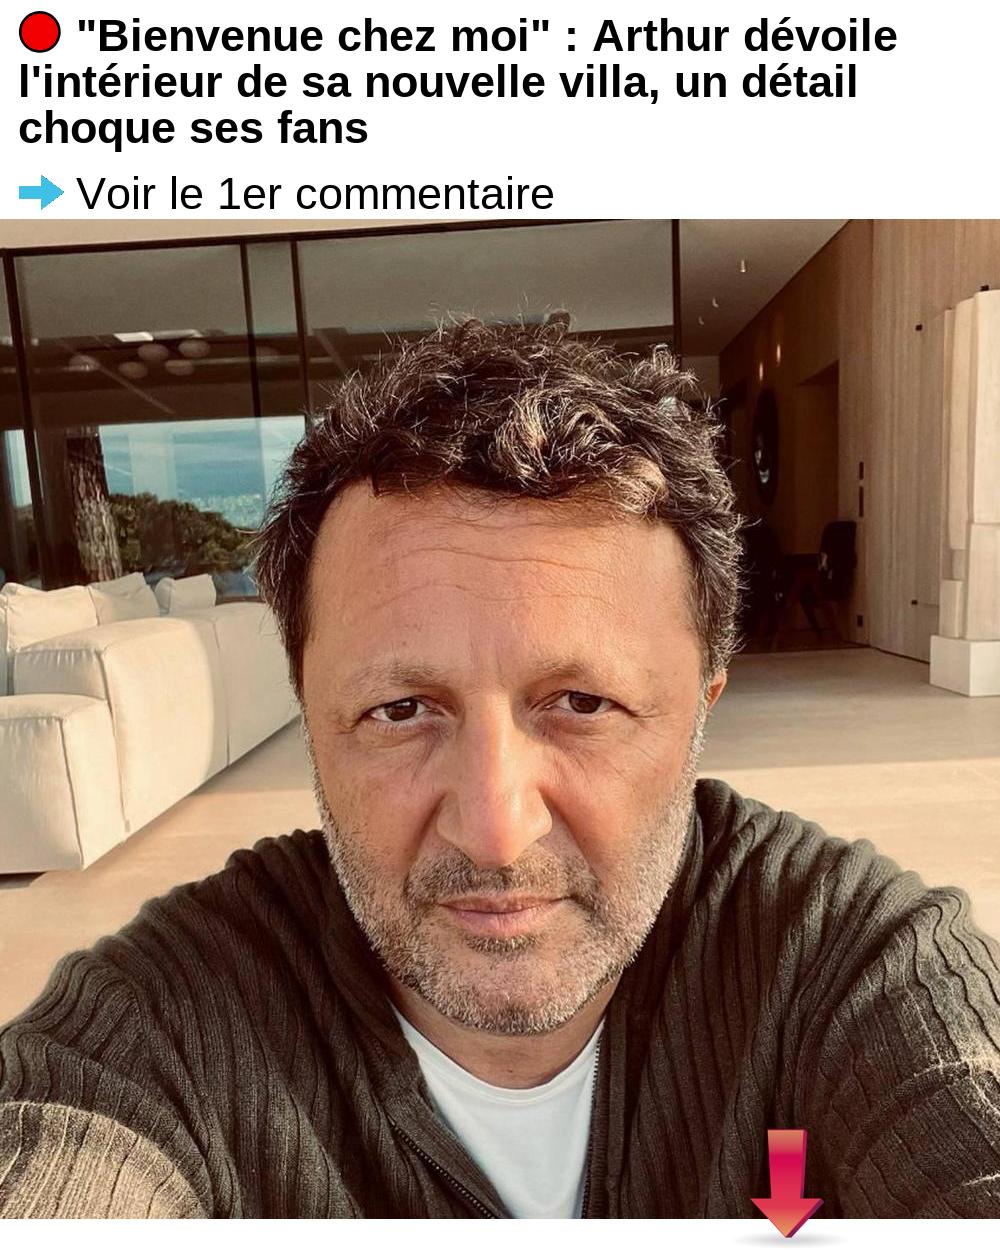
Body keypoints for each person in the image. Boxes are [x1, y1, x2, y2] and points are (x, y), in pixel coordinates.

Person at [1, 319, 999, 1219]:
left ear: (702, 703)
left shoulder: (852, 962)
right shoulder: (159, 1021)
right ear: (309, 712)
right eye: (400, 709)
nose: (494, 827)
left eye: (582, 703)